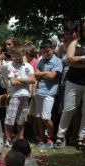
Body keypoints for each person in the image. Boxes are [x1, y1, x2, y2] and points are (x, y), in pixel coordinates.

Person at [56, 20, 85, 149]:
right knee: (68, 109)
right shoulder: (75, 43)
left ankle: (81, 137)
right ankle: (60, 136)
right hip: (73, 81)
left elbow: (74, 60)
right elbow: (68, 61)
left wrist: (79, 59)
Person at [4, 45, 35, 147]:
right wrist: (25, 80)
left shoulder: (28, 66)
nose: (18, 58)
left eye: (20, 55)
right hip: (14, 96)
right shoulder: (9, 66)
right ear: (12, 55)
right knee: (10, 118)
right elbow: (13, 82)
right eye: (16, 56)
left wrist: (20, 79)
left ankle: (20, 139)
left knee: (21, 119)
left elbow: (33, 80)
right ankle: (8, 138)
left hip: (25, 95)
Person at [34, 40, 62, 146]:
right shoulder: (40, 61)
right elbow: (36, 75)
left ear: (53, 49)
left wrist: (41, 73)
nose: (45, 53)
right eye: (43, 51)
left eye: (47, 51)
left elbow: (52, 76)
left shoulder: (57, 61)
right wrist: (46, 73)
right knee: (39, 117)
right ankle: (42, 138)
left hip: (49, 93)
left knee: (46, 117)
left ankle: (51, 138)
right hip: (39, 91)